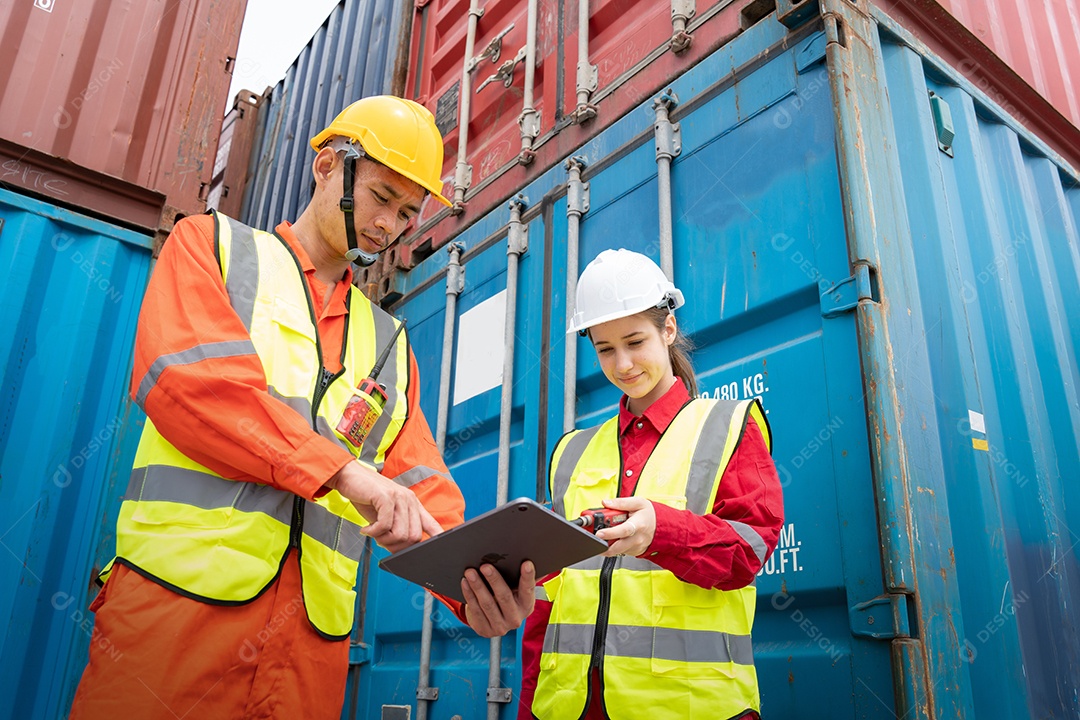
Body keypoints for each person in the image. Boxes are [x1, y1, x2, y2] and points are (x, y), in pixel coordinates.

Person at [70, 96, 534, 719]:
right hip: (176, 623)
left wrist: (471, 585)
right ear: (325, 166)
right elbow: (194, 387)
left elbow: (421, 489)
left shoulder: (390, 345)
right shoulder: (212, 247)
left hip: (306, 657)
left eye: (405, 213)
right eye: (379, 197)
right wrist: (341, 471)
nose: (386, 226)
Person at [519, 249, 784, 720]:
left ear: (668, 329)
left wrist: (662, 533)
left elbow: (749, 551)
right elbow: (545, 607)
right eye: (604, 348)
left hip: (688, 708)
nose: (622, 364)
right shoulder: (573, 453)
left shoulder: (727, 426)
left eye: (635, 341)